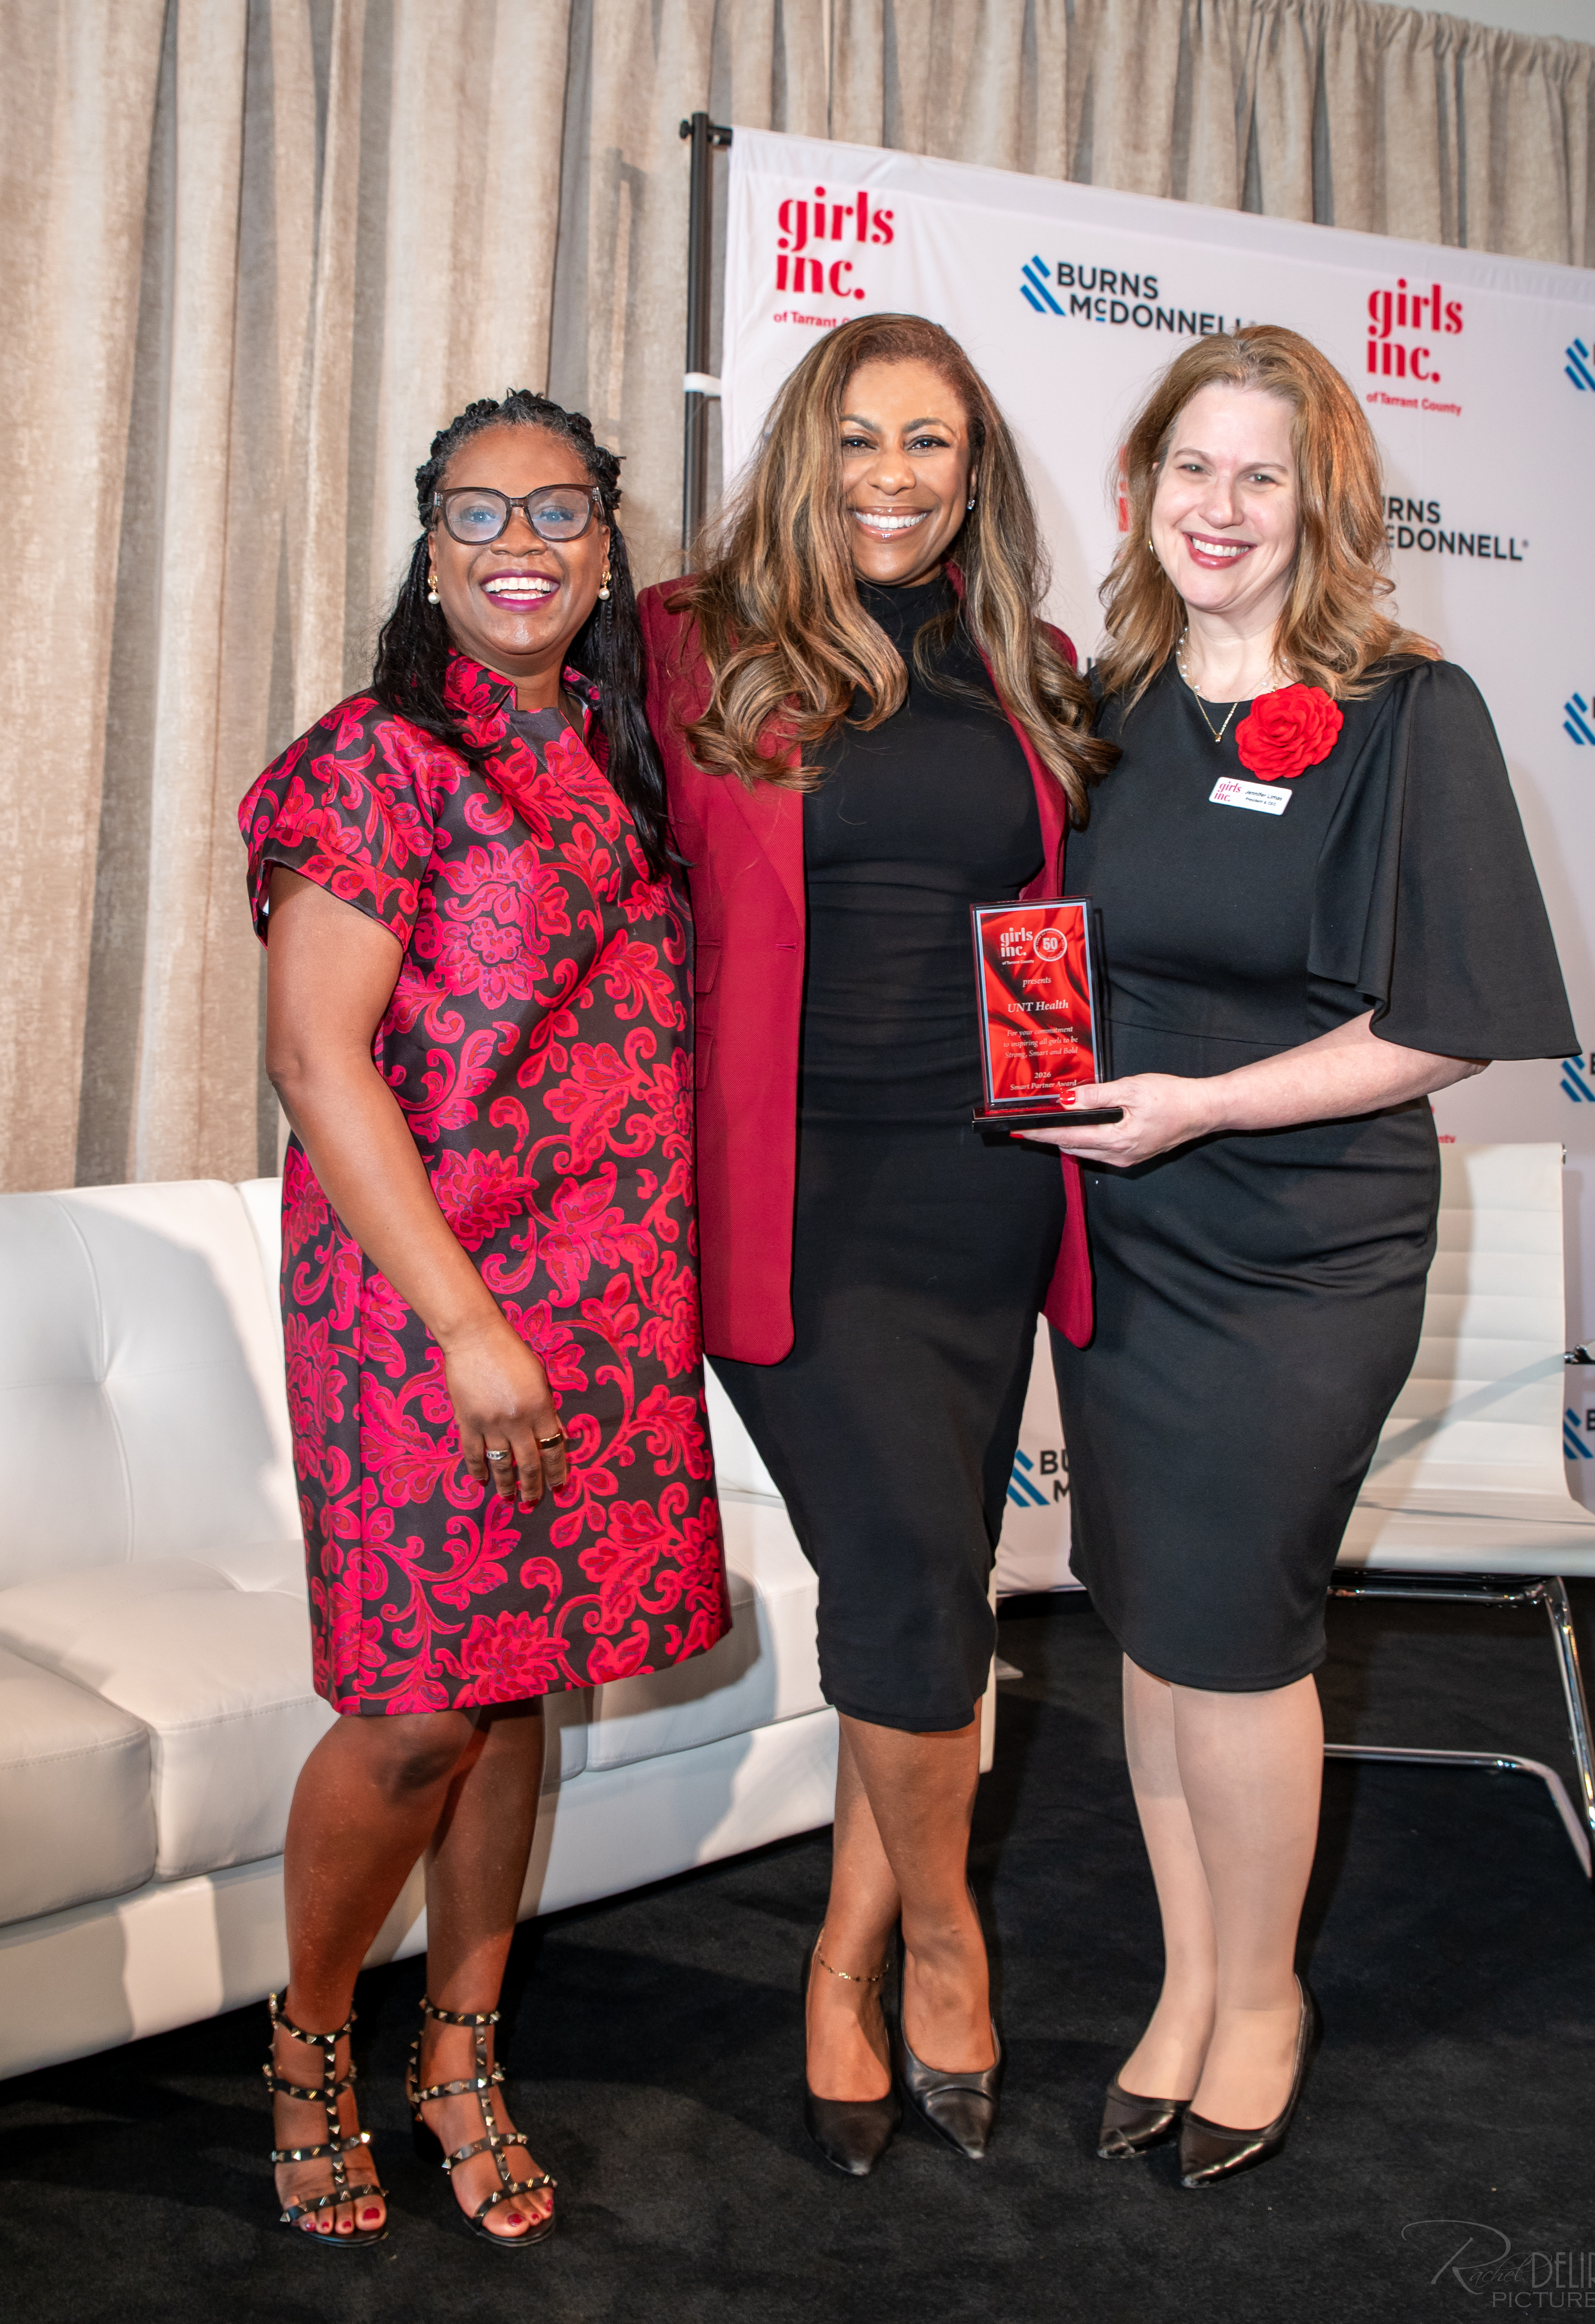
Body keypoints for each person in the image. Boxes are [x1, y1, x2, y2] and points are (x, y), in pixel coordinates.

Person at [1048, 327, 1578, 2188]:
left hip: (1301, 1242)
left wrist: (1202, 1104)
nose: (1221, 507)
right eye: (1192, 468)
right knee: (1144, 1613)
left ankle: (1264, 1998)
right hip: (1117, 1227)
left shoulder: (1405, 710)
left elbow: (1446, 1023)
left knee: (1240, 1626)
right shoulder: (1098, 698)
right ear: (1140, 489)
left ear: (1318, 504)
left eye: (1260, 475)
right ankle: (1187, 1978)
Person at [239, 391, 726, 2247]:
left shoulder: (624, 757)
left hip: (603, 1286)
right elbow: (314, 1054)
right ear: (429, 543)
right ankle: (307, 2045)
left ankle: (459, 2051)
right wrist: (463, 1319)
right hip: (420, 1289)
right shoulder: (376, 755)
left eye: (558, 508)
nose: (517, 539)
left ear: (607, 544)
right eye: (476, 509)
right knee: (421, 1705)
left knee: (524, 1675)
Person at [640, 315, 1114, 2176]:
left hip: (979, 1183)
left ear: (974, 466)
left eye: (930, 441)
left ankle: (841, 1956)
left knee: (912, 1589)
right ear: (800, 452)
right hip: (788, 1191)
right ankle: (941, 1941)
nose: (892, 477)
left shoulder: (1037, 668)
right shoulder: (686, 642)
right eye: (857, 438)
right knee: (914, 1562)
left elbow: (1063, 928)